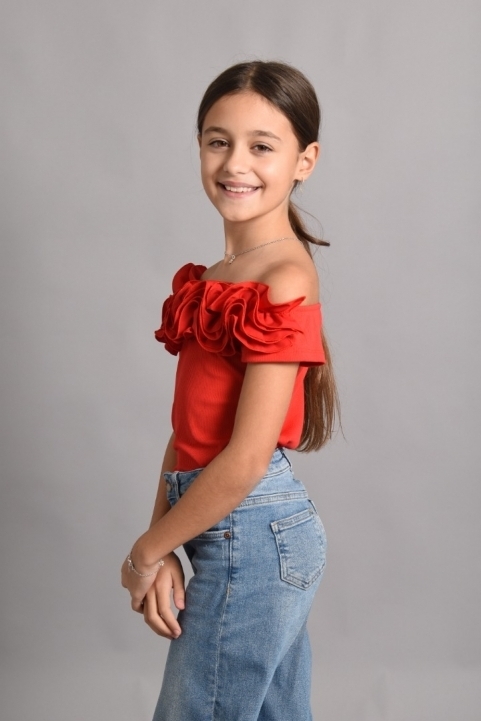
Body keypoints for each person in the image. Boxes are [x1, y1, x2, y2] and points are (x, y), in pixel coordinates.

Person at [121, 60, 339, 721]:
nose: (234, 163)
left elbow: (244, 459)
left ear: (304, 161)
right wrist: (161, 537)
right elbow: (187, 432)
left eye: (261, 146)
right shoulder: (219, 274)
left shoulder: (283, 275)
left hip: (252, 530)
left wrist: (144, 553)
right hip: (224, 523)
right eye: (218, 141)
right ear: (199, 146)